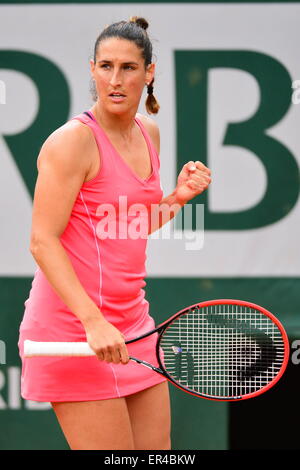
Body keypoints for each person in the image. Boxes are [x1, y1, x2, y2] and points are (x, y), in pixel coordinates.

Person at [18, 16, 211, 450]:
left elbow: (131, 225)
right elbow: (41, 240)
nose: (116, 79)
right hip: (75, 329)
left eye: (128, 67)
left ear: (149, 72)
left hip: (133, 327)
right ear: (92, 70)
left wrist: (177, 198)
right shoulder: (71, 142)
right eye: (106, 66)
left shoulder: (149, 132)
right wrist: (92, 323)